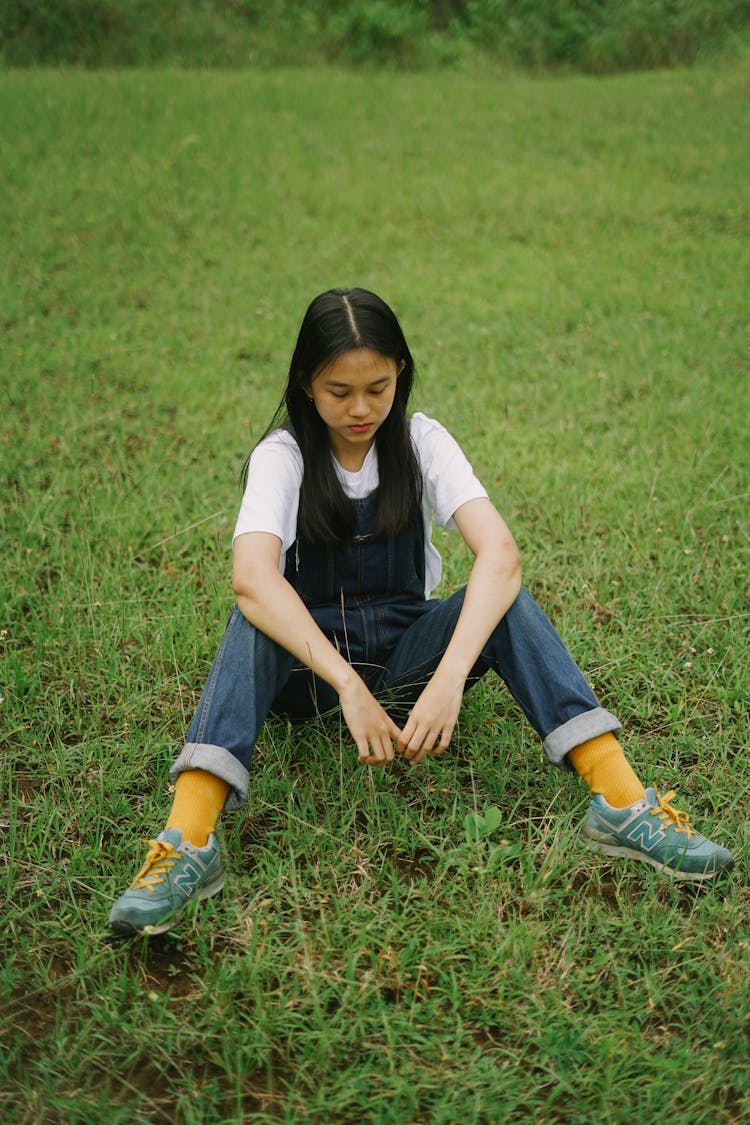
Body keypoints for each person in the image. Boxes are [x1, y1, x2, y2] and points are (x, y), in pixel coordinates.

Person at [109, 287, 733, 936]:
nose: (359, 408)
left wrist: (445, 681)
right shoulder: (283, 456)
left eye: (376, 387)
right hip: (313, 675)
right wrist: (347, 685)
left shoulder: (420, 440)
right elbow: (251, 579)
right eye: (338, 391)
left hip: (409, 656)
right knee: (256, 614)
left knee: (504, 599)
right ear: (305, 384)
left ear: (400, 373)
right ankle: (187, 842)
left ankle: (623, 803)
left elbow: (500, 555)